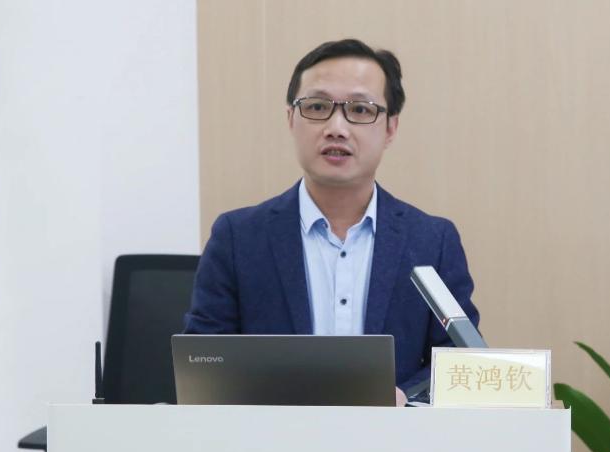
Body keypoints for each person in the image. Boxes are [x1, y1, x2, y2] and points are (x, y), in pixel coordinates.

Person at [184, 39, 479, 406]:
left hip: (394, 438)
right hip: (273, 439)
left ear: (391, 128)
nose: (336, 127)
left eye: (360, 109)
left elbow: (460, 360)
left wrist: (405, 395)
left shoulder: (432, 241)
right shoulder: (238, 238)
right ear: (291, 119)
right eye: (317, 107)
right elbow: (204, 363)